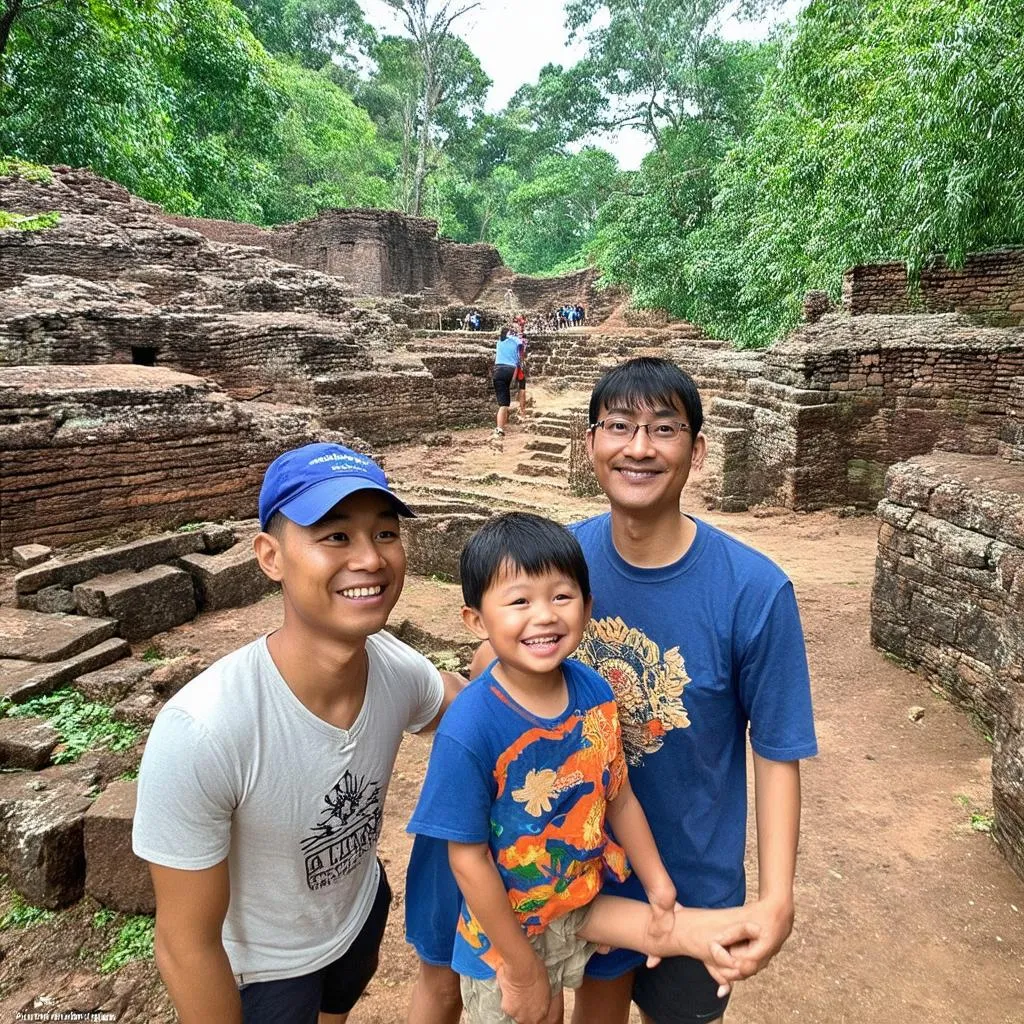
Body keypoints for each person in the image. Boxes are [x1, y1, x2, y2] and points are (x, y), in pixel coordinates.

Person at [406, 357, 817, 1024]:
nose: (638, 447)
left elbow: (777, 750)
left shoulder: (754, 591)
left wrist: (777, 896)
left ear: (699, 450)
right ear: (591, 442)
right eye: (619, 426)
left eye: (663, 429)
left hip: (683, 871)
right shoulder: (558, 562)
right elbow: (498, 664)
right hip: (551, 865)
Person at [132, 442, 465, 1024]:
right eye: (335, 536)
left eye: (385, 533)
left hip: (359, 909)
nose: (370, 559)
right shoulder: (204, 730)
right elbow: (186, 945)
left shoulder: (394, 665)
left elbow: (465, 707)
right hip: (265, 969)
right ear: (270, 556)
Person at [408, 513, 759, 1024]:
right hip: (503, 941)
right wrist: (523, 968)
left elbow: (619, 797)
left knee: (657, 939)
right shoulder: (471, 726)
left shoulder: (594, 694)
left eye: (561, 596)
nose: (544, 615)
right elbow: (467, 860)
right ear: (477, 621)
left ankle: (717, 942)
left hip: (577, 904)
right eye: (519, 601)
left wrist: (659, 885)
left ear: (587, 606)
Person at [492, 326, 521, 438]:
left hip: (498, 369)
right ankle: (499, 428)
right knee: (504, 404)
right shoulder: (516, 341)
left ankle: (501, 427)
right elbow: (519, 356)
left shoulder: (499, 342)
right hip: (509, 370)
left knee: (504, 403)